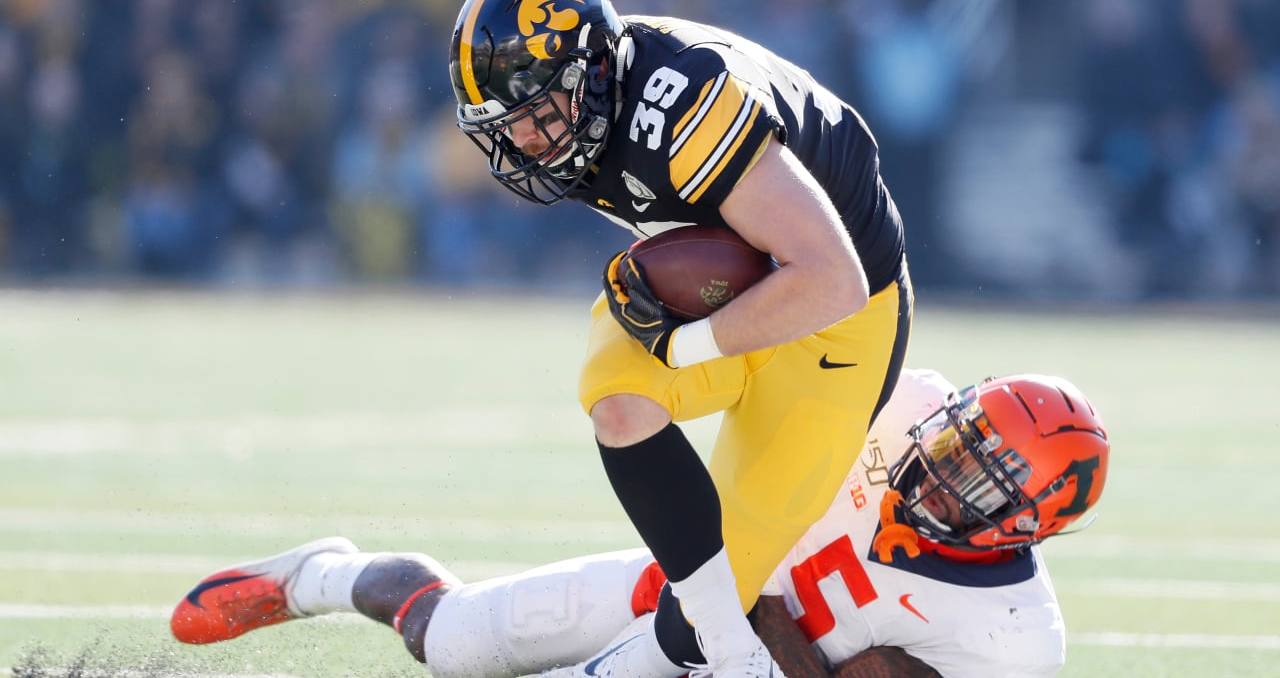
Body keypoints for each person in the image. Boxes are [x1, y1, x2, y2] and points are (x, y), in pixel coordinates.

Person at [446, 0, 912, 676]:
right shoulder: (590, 111)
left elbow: (832, 280)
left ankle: (699, 641)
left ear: (594, 74)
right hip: (741, 283)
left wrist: (684, 344)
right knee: (620, 406)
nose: (527, 146)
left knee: (685, 620)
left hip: (836, 327)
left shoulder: (686, 108)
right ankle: (733, 651)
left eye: (537, 117)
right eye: (507, 128)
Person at [170, 370, 1110, 678]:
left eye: (977, 485)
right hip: (682, 583)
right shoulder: (904, 396)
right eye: (956, 446)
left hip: (731, 652)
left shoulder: (1012, 638)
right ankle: (320, 576)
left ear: (1025, 528)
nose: (939, 473)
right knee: (450, 637)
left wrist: (761, 635)